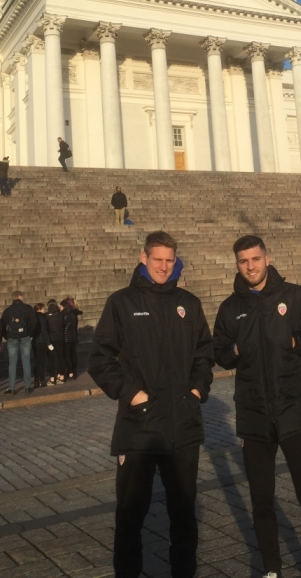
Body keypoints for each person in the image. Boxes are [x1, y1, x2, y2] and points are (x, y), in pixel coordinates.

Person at [88, 230, 214, 578]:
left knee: (184, 517)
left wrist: (197, 391)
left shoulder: (189, 303)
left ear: (176, 261)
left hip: (182, 427)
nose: (162, 266)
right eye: (156, 259)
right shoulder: (122, 302)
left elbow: (205, 353)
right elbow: (99, 358)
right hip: (139, 426)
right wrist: (132, 393)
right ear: (143, 258)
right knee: (130, 515)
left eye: (168, 260)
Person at [213, 235, 301, 578]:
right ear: (236, 264)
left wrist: (296, 341)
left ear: (267, 258)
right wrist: (235, 350)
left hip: (295, 412)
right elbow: (218, 353)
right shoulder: (230, 308)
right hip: (254, 418)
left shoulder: (295, 296)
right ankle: (270, 569)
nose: (249, 266)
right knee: (262, 501)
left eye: (254, 259)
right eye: (242, 261)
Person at [2, 291, 37, 395]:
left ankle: (11, 387)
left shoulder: (7, 310)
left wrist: (7, 337)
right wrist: (30, 334)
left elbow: (2, 325)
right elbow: (33, 323)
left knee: (12, 363)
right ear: (20, 297)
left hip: (12, 338)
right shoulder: (28, 308)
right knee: (26, 361)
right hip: (25, 337)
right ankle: (27, 386)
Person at [60, 297, 82, 380]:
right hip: (73, 337)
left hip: (66, 338)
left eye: (61, 307)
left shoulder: (64, 315)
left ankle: (70, 372)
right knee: (73, 354)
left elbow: (63, 326)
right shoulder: (73, 314)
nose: (60, 308)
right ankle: (74, 370)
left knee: (67, 355)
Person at [33, 303, 53, 388]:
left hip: (34, 341)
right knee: (42, 362)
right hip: (42, 341)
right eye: (43, 309)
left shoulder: (32, 317)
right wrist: (49, 343)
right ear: (40, 309)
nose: (44, 310)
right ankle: (41, 379)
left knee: (37, 361)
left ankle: (36, 380)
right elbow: (44, 331)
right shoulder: (42, 318)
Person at [47, 300, 65, 384]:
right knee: (61, 357)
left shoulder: (46, 316)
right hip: (60, 338)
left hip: (51, 339)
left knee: (51, 359)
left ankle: (52, 378)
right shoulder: (61, 315)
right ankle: (61, 376)